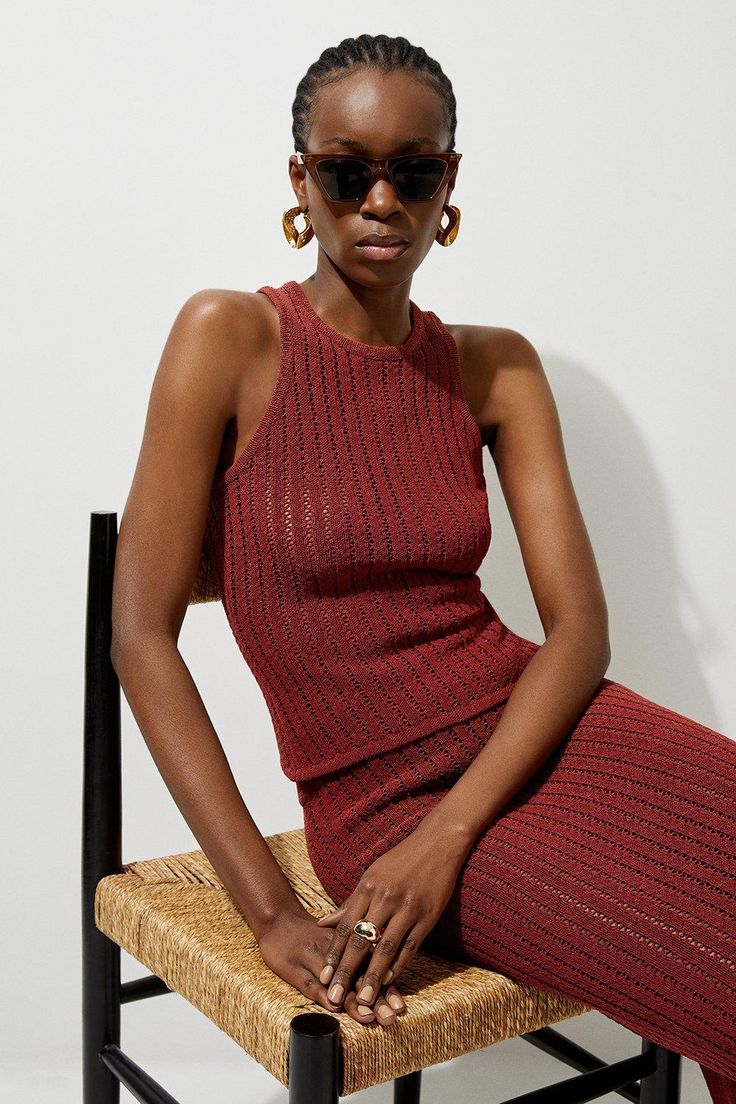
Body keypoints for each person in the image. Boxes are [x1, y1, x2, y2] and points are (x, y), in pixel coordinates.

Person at [110, 33, 735, 1102]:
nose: (381, 200)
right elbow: (142, 633)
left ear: (450, 183)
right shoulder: (230, 337)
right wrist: (270, 910)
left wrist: (452, 835)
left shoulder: (494, 366)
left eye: (416, 170)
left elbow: (577, 634)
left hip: (547, 735)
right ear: (301, 179)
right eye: (348, 171)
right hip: (375, 807)